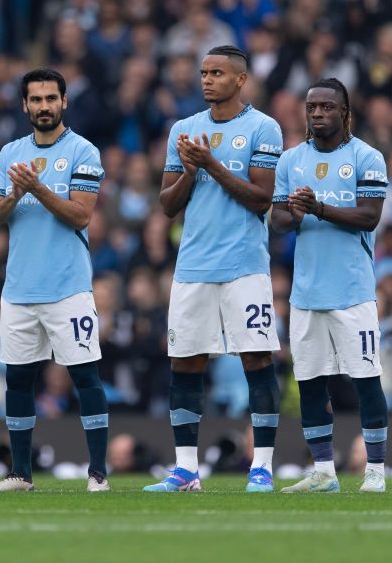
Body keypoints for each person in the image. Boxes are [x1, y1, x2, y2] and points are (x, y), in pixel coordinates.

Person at [144, 45, 284, 493]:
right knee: (185, 362)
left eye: (217, 73)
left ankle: (261, 466)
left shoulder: (264, 128)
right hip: (193, 267)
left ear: (240, 79)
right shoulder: (184, 130)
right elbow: (167, 205)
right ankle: (186, 470)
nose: (206, 80)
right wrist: (188, 171)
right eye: (203, 72)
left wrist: (210, 164)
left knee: (257, 360)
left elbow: (262, 198)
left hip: (244, 266)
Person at [0, 68, 109, 492]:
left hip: (68, 287)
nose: (43, 107)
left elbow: (82, 214)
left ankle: (98, 474)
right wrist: (17, 192)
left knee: (85, 377)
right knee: (18, 380)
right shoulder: (9, 154)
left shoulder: (83, 151)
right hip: (19, 288)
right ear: (24, 105)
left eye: (50, 99)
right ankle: (20, 473)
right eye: (35, 100)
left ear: (64, 102)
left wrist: (36, 187)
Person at [271, 78, 390, 494]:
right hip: (306, 294)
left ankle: (375, 471)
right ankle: (323, 471)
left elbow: (369, 216)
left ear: (345, 112)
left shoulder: (367, 157)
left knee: (366, 379)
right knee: (309, 382)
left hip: (353, 293)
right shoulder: (290, 161)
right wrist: (297, 212)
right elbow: (277, 220)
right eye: (312, 107)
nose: (318, 113)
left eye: (326, 107)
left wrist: (318, 207)